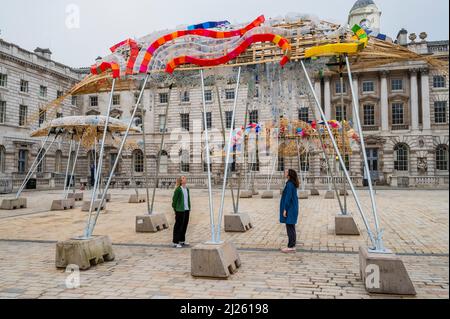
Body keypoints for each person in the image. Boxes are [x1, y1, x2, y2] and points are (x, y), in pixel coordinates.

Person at [280, 169, 300, 253]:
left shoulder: (289, 184)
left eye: (286, 172)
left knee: (290, 228)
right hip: (293, 207)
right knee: (291, 227)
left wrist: (285, 209)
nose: (284, 172)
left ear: (289, 175)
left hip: (290, 208)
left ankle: (290, 246)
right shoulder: (291, 183)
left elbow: (288, 198)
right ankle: (292, 245)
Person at [172, 176, 191, 248]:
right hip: (180, 210)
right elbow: (174, 200)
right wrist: (175, 209)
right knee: (178, 226)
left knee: (184, 225)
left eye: (185, 177)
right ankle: (175, 242)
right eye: (183, 178)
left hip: (186, 210)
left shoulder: (187, 189)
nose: (185, 178)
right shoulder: (178, 190)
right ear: (180, 181)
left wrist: (189, 207)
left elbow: (187, 199)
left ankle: (182, 240)